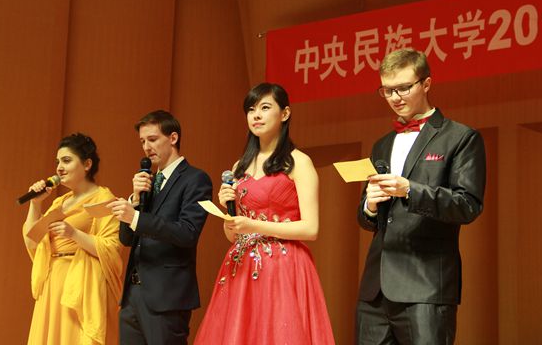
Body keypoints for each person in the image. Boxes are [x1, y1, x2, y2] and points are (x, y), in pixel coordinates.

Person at [356, 48, 486, 344]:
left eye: (404, 88)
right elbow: (367, 221)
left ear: (426, 83)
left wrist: (410, 190)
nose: (395, 97)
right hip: (375, 292)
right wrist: (370, 206)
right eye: (387, 90)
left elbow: (467, 205)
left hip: (425, 287)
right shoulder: (382, 144)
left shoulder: (461, 138)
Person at [194, 83, 335, 344]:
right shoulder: (240, 166)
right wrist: (229, 215)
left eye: (265, 107)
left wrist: (254, 226)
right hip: (242, 266)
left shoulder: (298, 162)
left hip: (284, 267)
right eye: (251, 109)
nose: (256, 115)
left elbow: (310, 229)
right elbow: (234, 235)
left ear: (285, 113)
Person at [108, 110, 212, 345]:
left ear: (173, 138)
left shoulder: (195, 179)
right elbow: (126, 239)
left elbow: (187, 232)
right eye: (142, 141)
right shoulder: (148, 182)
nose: (146, 147)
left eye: (153, 139)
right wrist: (135, 200)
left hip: (167, 296)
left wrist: (136, 217)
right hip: (132, 294)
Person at [23, 133, 123, 345]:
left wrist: (74, 234)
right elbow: (32, 241)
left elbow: (112, 248)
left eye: (66, 160)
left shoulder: (103, 199)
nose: (59, 168)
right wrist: (35, 204)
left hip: (81, 287)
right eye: (57, 162)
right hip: (53, 283)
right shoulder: (60, 202)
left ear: (87, 164)